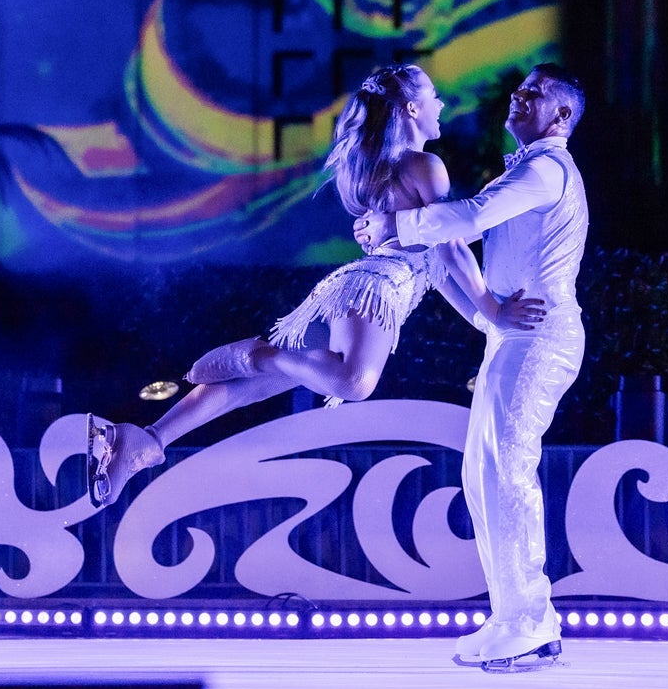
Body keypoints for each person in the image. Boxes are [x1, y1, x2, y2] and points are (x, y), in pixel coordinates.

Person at [85, 62, 543, 509]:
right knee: (353, 382)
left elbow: (439, 270)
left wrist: (485, 321)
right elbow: (450, 247)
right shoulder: (426, 166)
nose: (442, 104)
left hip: (354, 289)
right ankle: (261, 353)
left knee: (259, 386)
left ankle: (144, 440)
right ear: (410, 109)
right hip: (374, 294)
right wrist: (495, 310)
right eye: (433, 96)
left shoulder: (386, 167)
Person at [355, 62, 588, 673]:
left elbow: (475, 217)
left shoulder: (546, 169)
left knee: (507, 466)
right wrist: (487, 317)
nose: (520, 94)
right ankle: (514, 616)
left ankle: (532, 622)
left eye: (535, 93)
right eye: (521, 88)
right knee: (483, 471)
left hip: (541, 334)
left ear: (561, 116)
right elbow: (460, 255)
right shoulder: (528, 169)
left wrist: (397, 222)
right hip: (516, 333)